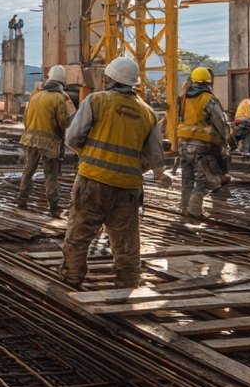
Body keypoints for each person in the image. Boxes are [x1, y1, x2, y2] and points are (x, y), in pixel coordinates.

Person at [59, 56, 170, 290]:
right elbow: (155, 156)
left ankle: (72, 280)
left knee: (78, 236)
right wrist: (132, 168)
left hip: (92, 182)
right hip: (128, 188)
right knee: (126, 243)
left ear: (108, 78)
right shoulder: (148, 112)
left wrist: (87, 154)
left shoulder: (96, 101)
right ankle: (127, 286)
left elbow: (72, 138)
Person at [18, 64, 75, 217]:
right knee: (51, 175)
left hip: (30, 139)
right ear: (62, 82)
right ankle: (54, 207)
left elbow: (25, 119)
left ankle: (22, 201)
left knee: (28, 172)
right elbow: (65, 122)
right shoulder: (60, 98)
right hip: (49, 143)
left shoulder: (35, 96)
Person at [177, 66, 229, 220]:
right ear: (208, 82)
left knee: (187, 180)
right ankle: (194, 212)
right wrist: (225, 140)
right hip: (201, 146)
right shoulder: (209, 99)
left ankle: (184, 209)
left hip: (183, 145)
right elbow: (220, 122)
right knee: (202, 181)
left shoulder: (183, 98)